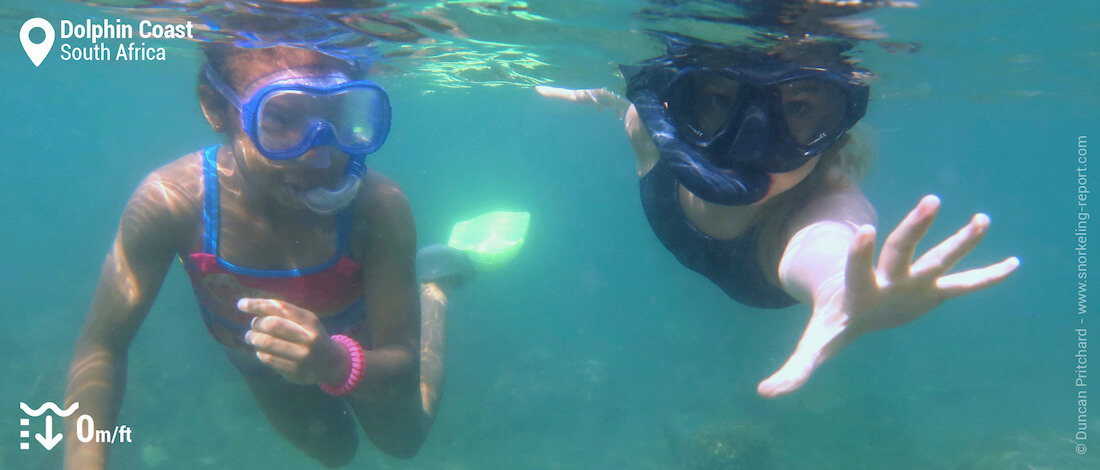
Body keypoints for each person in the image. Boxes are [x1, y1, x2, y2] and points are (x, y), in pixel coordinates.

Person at [63, 43, 476, 469]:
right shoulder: (173, 204)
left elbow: (402, 364)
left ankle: (434, 285)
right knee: (334, 451)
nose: (319, 154)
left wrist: (332, 362)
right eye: (281, 119)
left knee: (403, 442)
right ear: (216, 107)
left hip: (359, 349)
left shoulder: (378, 206)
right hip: (259, 363)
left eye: (338, 115)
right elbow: (103, 346)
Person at [538, 33, 1019, 398]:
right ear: (675, 111)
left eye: (801, 108)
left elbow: (829, 241)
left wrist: (837, 290)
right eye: (716, 99)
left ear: (835, 132)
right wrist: (609, 97)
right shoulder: (648, 132)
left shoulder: (823, 203)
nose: (752, 146)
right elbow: (637, 107)